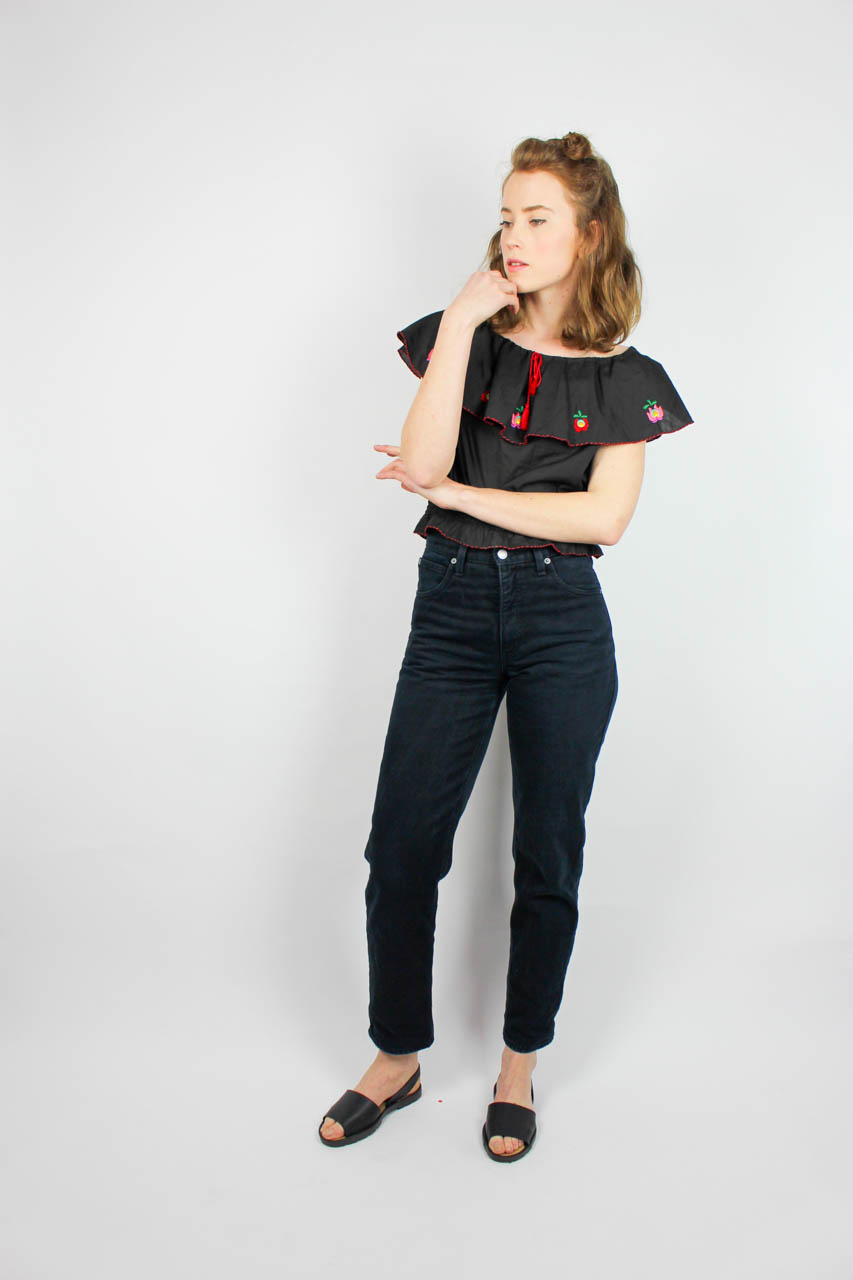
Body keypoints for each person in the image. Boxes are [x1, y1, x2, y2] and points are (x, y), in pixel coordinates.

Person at [318, 131, 694, 1162]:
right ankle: (395, 1056)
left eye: (538, 218)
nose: (513, 236)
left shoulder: (628, 378)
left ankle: (519, 1064)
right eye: (506, 216)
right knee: (401, 847)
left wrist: (457, 494)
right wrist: (456, 324)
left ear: (591, 234)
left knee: (547, 852)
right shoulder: (469, 337)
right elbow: (423, 457)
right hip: (448, 608)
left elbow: (600, 521)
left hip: (560, 620)